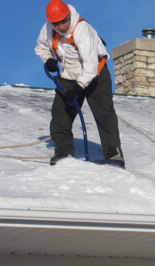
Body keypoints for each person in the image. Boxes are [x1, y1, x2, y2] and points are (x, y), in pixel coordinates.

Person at [35, 0, 124, 167]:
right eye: (56, 23)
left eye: (64, 21)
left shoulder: (82, 30)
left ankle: (114, 157)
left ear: (69, 15)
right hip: (69, 74)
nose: (61, 26)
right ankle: (63, 154)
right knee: (60, 114)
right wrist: (48, 60)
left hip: (96, 73)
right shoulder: (48, 29)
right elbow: (40, 47)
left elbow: (90, 65)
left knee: (104, 114)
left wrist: (79, 87)